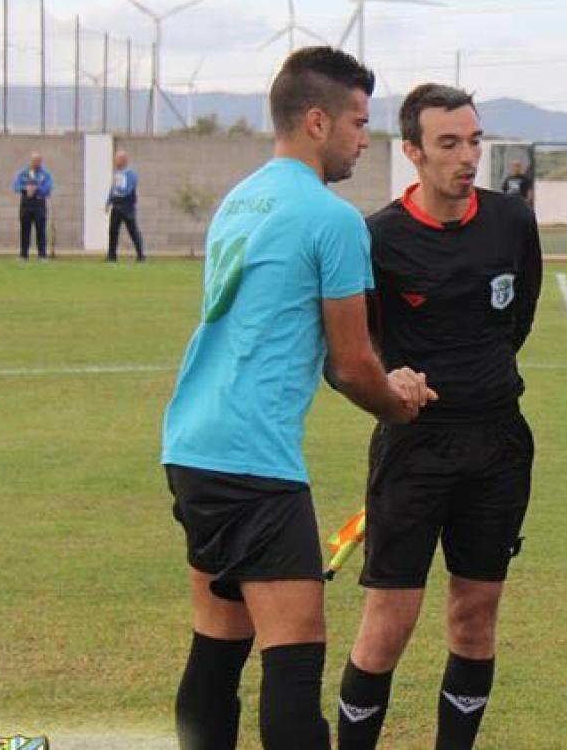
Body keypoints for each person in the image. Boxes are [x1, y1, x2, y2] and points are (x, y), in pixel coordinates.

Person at [160, 46, 435, 750]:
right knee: (294, 658)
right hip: (253, 461)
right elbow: (352, 364)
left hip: (192, 445)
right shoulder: (331, 219)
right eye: (358, 123)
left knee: (218, 644)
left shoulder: (242, 198)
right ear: (317, 121)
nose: (365, 139)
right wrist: (397, 402)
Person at [337, 84, 542, 750]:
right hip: (415, 447)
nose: (467, 157)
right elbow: (349, 351)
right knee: (388, 623)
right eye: (449, 143)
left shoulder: (512, 221)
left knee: (475, 617)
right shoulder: (378, 238)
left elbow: (518, 319)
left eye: (474, 141)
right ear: (413, 151)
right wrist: (389, 378)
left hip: (499, 443)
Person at [13, 151, 53, 261]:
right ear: (31, 161)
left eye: (38, 161)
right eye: (34, 160)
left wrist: (37, 189)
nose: (36, 163)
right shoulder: (23, 172)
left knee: (41, 230)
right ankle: (23, 255)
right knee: (25, 230)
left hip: (39, 204)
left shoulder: (45, 174)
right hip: (26, 204)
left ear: (41, 161)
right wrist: (25, 189)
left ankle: (42, 255)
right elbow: (15, 186)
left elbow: (48, 188)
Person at [107, 150, 145, 262]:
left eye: (117, 159)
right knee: (113, 230)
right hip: (116, 206)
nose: (115, 161)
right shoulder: (117, 174)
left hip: (127, 206)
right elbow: (113, 189)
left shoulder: (131, 174)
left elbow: (128, 189)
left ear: (123, 160)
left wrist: (120, 191)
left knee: (133, 230)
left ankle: (140, 255)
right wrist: (109, 201)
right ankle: (112, 256)